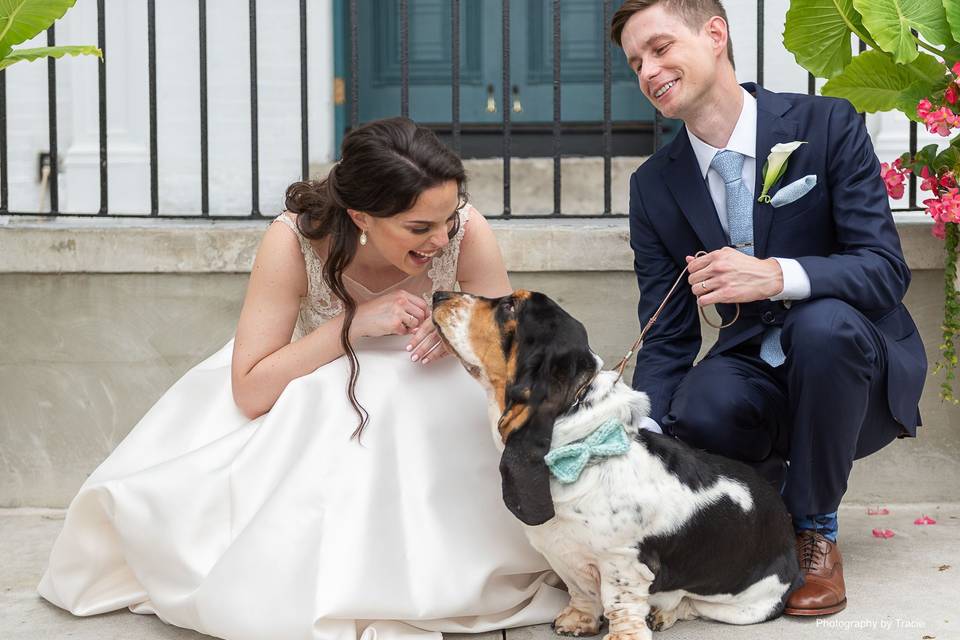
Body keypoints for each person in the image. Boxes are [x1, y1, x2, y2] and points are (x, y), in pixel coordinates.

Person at [38, 117, 567, 640]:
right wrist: (352, 325)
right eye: (419, 227)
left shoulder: (465, 230)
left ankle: (447, 565)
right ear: (361, 216)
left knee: (414, 395)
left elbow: (508, 352)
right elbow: (249, 389)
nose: (441, 237)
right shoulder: (292, 240)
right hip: (316, 384)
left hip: (433, 394)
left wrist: (458, 333)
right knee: (343, 407)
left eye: (448, 219)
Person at [611, 0, 927, 617]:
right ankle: (771, 509)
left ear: (715, 34)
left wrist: (773, 275)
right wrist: (646, 441)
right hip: (754, 368)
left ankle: (815, 530)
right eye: (635, 62)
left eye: (660, 47)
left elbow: (885, 270)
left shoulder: (828, 124)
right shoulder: (653, 185)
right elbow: (668, 333)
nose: (648, 71)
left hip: (852, 368)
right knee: (696, 405)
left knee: (824, 326)